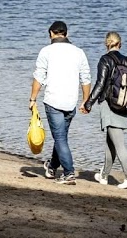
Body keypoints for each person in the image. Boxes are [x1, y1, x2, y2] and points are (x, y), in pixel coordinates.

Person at [29, 20, 91, 185]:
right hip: (71, 101)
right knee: (61, 136)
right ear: (66, 34)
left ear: (51, 34)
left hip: (53, 101)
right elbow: (86, 78)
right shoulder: (79, 52)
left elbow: (38, 77)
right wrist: (86, 100)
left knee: (60, 138)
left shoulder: (46, 51)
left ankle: (69, 172)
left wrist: (33, 98)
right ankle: (52, 166)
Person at [80, 31, 127, 189]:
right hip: (126, 106)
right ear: (120, 44)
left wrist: (88, 103)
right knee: (110, 143)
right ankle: (104, 176)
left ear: (107, 44)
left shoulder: (105, 60)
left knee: (119, 144)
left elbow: (100, 84)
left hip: (110, 105)